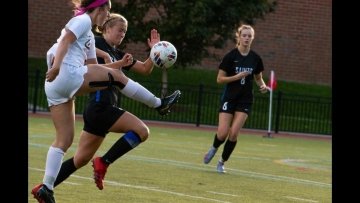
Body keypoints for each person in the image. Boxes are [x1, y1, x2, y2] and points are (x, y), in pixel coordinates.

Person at [31, 1, 181, 202]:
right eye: (107, 10)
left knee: (64, 140)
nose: (108, 14)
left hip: (55, 86)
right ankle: (158, 104)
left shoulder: (90, 37)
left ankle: (46, 188)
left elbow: (94, 67)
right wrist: (57, 66)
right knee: (118, 78)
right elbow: (66, 40)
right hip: (65, 74)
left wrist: (119, 65)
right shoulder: (83, 20)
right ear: (99, 8)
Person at [51, 13, 162, 193]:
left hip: (98, 111)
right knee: (141, 131)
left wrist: (155, 51)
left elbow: (144, 68)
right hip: (100, 106)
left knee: (80, 159)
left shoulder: (117, 53)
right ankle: (103, 162)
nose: (122, 34)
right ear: (107, 28)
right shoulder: (96, 41)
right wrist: (108, 57)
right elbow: (84, 48)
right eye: (120, 30)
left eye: (125, 32)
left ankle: (45, 187)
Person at [203, 24, 268, 173]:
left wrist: (262, 86)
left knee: (233, 134)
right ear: (238, 37)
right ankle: (214, 147)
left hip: (245, 100)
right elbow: (219, 79)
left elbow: (258, 78)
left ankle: (222, 162)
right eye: (244, 35)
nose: (246, 38)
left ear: (252, 38)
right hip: (230, 98)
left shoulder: (255, 58)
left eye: (249, 36)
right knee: (223, 133)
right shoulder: (230, 56)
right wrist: (236, 77)